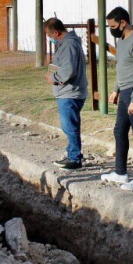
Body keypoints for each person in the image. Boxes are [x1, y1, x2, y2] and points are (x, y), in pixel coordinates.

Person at [100, 6, 133, 191]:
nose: (111, 29)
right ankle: (120, 173)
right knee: (119, 131)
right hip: (125, 91)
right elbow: (122, 68)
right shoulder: (121, 41)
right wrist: (116, 89)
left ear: (123, 23)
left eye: (112, 25)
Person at [45, 17, 88, 170]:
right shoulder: (69, 43)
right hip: (68, 91)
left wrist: (54, 78)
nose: (50, 39)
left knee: (70, 126)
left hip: (70, 92)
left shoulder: (69, 45)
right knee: (69, 125)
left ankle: (74, 158)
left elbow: (68, 70)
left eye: (50, 36)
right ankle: (72, 153)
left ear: (56, 32)